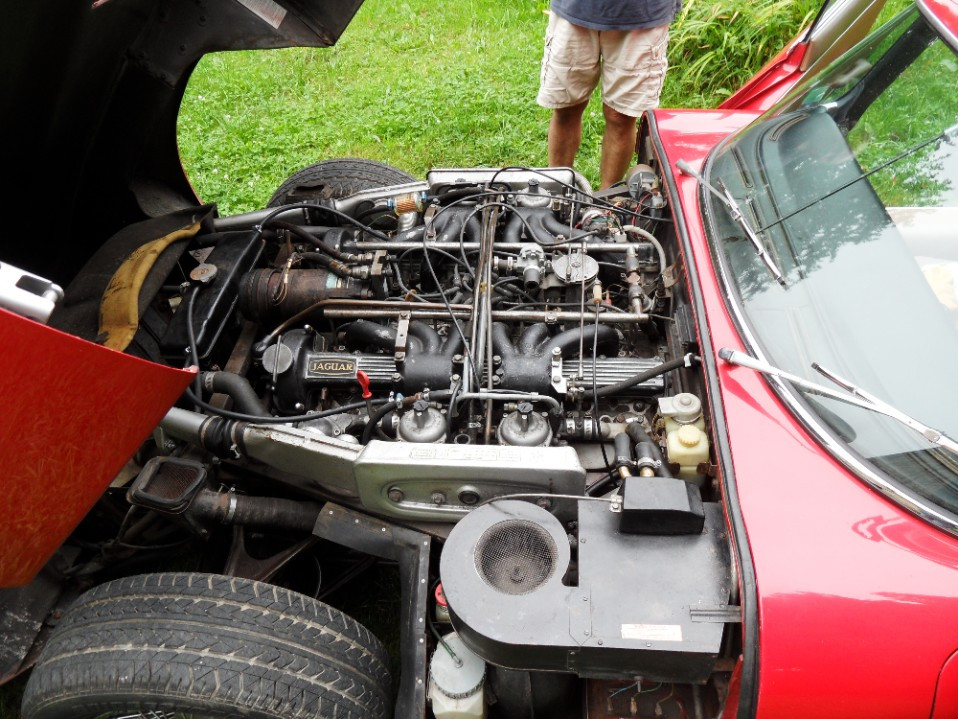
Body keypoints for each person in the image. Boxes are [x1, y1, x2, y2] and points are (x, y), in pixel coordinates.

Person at [537, 0, 680, 188]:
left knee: (621, 116)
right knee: (566, 108)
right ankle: (558, 195)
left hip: (643, 13)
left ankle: (607, 207)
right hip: (574, 8)